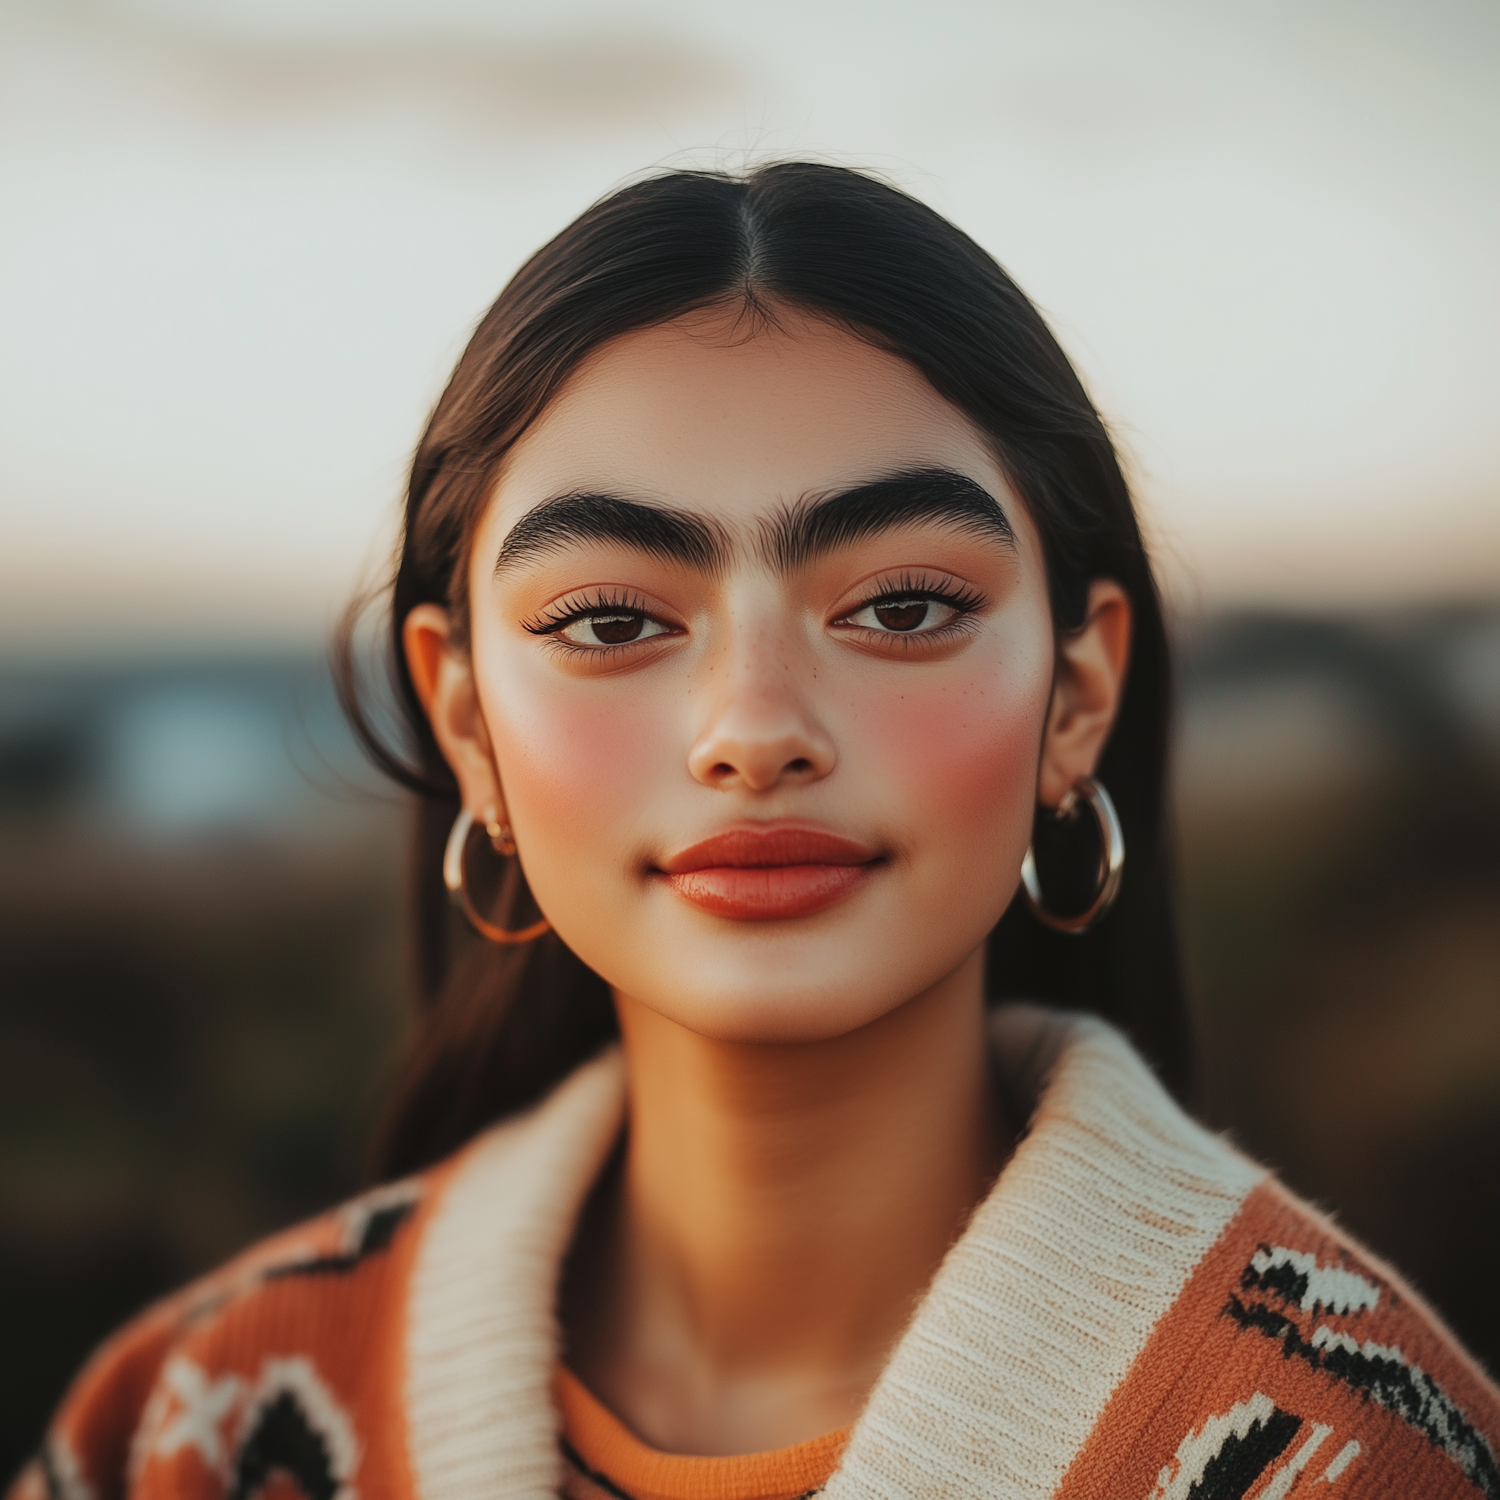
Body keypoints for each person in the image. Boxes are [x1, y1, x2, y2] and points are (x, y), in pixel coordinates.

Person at [13, 163, 1498, 1500]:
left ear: (1078, 694)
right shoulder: (182, 1432)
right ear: (465, 724)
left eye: (904, 608)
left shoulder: (1364, 1460)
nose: (753, 727)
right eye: (609, 620)